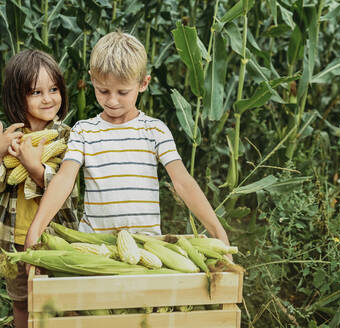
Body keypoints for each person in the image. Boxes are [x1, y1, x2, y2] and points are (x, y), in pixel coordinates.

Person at [25, 31, 231, 255]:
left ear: (143, 83)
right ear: (92, 78)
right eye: (103, 90)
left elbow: (183, 182)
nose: (112, 100)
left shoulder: (155, 130)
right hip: (96, 247)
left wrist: (218, 232)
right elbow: (64, 179)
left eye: (123, 92)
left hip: (145, 248)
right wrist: (36, 229)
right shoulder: (84, 131)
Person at [0, 50, 78, 328]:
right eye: (36, 92)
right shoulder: (13, 137)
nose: (47, 98)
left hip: (57, 237)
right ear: (17, 97)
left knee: (66, 299)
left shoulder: (69, 137)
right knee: (22, 300)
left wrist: (34, 166)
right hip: (16, 239)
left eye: (53, 89)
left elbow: (67, 189)